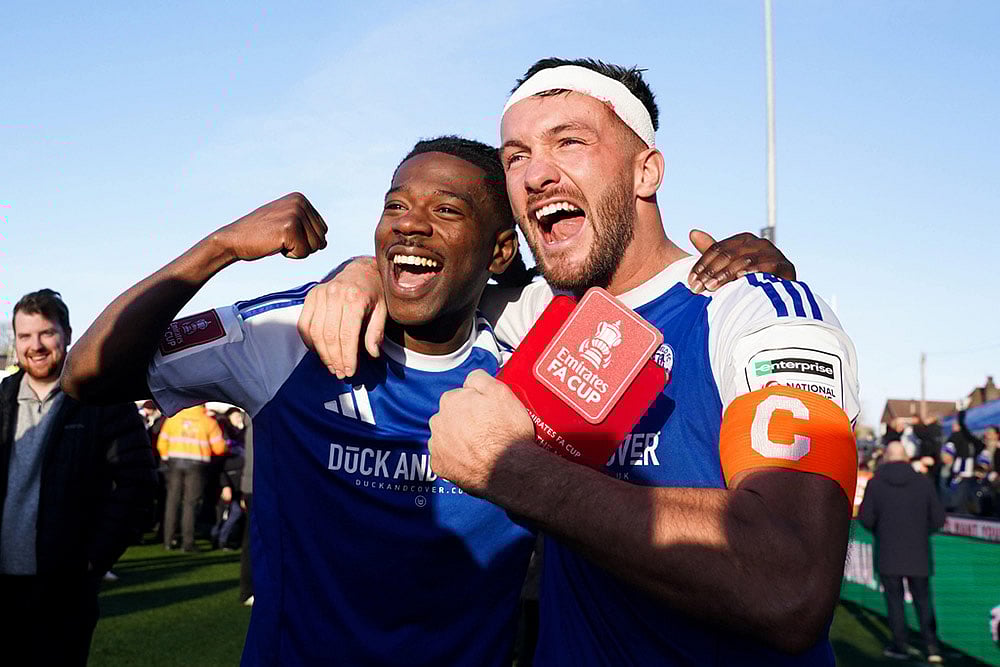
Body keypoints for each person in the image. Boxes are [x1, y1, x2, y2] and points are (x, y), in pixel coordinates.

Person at [63, 135, 789, 664]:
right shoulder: (290, 332)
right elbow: (87, 374)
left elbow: (649, 295)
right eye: (395, 206)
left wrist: (746, 270)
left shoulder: (538, 351)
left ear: (500, 252)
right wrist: (221, 246)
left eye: (446, 209)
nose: (409, 223)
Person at [307, 58, 860, 664]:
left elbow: (790, 580)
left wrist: (513, 470)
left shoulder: (757, 313)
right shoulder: (534, 311)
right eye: (515, 156)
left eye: (569, 141)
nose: (536, 174)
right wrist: (358, 275)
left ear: (646, 171)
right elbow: (428, 273)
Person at [0, 289, 157, 666]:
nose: (35, 346)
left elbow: (138, 485)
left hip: (63, 588)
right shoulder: (2, 397)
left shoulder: (102, 397)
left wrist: (93, 560)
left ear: (67, 335)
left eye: (46, 334)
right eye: (24, 336)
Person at [859, 442, 945, 662]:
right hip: (918, 552)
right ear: (907, 457)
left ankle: (900, 645)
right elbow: (938, 519)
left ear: (886, 457)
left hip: (889, 551)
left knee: (894, 601)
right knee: (923, 600)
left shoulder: (876, 484)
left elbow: (866, 519)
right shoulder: (923, 483)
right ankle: (931, 646)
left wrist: (882, 529)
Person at [156, 403, 227, 552]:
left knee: (172, 501)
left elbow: (161, 443)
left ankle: (168, 540)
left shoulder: (173, 418)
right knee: (191, 503)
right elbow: (219, 448)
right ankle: (187, 543)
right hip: (197, 465)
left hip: (174, 462)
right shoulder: (208, 421)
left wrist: (167, 457)